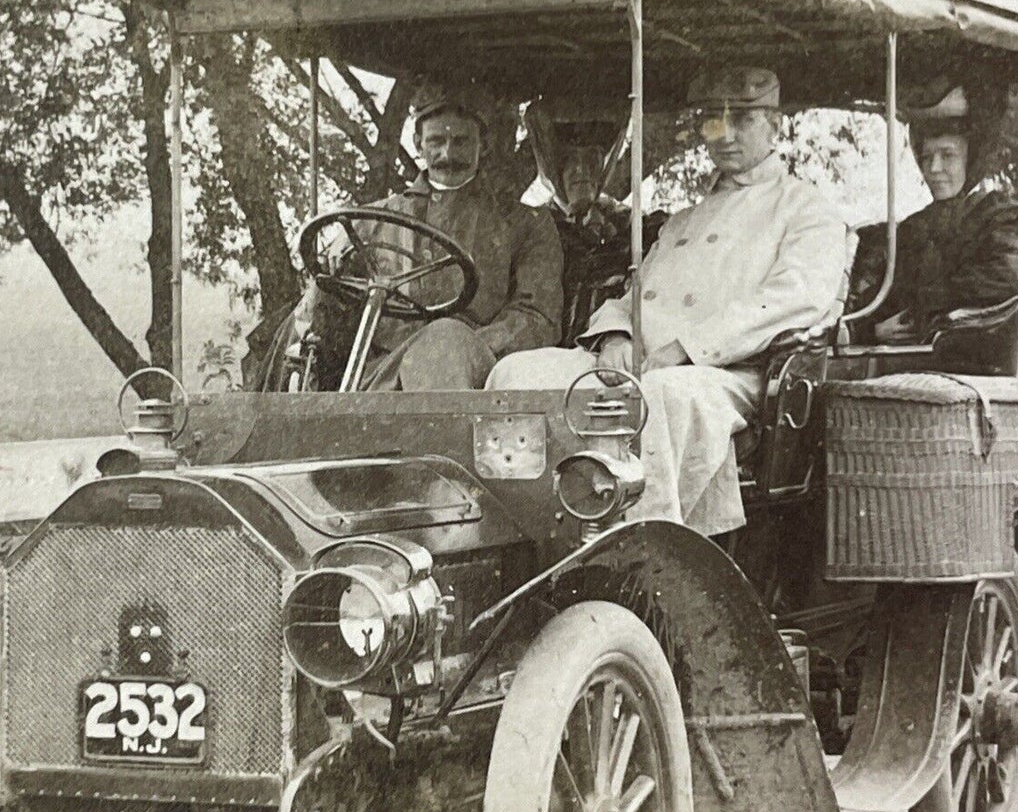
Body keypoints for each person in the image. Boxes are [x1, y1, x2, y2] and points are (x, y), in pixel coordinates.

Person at [488, 66, 849, 536]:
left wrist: (687, 348)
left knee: (660, 398)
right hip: (640, 361)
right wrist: (617, 332)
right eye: (713, 121)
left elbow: (795, 300)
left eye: (741, 119)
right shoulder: (684, 220)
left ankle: (642, 555)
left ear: (774, 125)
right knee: (516, 373)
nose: (725, 134)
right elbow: (634, 292)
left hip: (726, 372)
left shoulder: (805, 209)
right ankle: (519, 536)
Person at [354, 83, 563, 390]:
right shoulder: (372, 221)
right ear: (417, 143)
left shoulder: (525, 224)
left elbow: (538, 314)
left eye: (462, 141)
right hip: (381, 378)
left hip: (475, 374)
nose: (448, 154)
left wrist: (467, 345)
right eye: (436, 140)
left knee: (444, 343)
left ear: (484, 145)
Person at [853, 78, 1018, 343]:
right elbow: (881, 299)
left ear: (971, 160)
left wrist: (921, 306)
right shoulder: (915, 227)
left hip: (965, 360)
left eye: (947, 156)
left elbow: (1004, 279)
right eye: (927, 157)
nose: (934, 169)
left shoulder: (997, 217)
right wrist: (874, 332)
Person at [524, 102, 667, 340]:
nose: (582, 170)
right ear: (552, 168)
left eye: (592, 159)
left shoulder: (627, 222)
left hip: (617, 348)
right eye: (569, 160)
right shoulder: (533, 225)